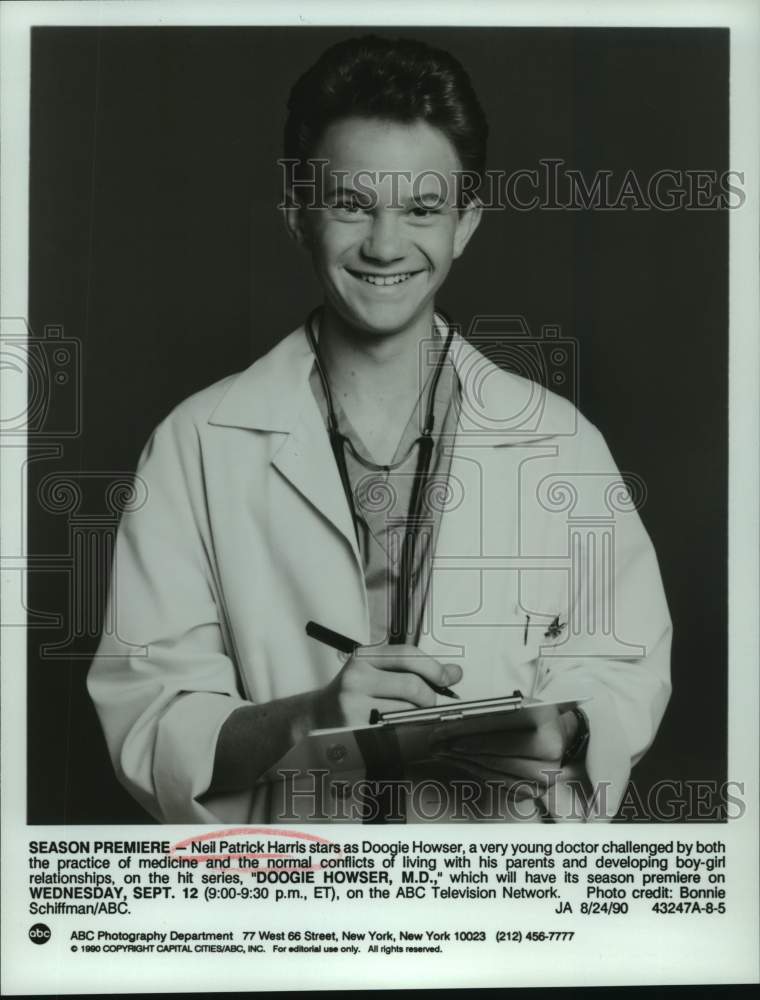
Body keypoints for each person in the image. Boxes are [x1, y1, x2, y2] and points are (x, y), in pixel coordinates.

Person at [88, 34, 672, 824]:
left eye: (423, 209)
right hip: (294, 901)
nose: (387, 245)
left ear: (466, 222)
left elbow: (623, 669)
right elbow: (150, 717)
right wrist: (309, 715)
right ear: (297, 210)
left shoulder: (561, 443)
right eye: (352, 203)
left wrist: (567, 726)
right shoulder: (197, 444)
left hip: (496, 906)